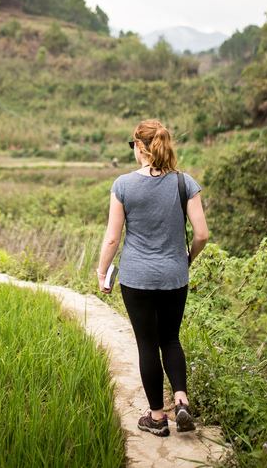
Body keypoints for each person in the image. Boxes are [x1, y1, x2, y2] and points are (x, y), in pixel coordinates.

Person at [96, 119, 210, 437]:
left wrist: (101, 271)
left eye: (133, 146)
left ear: (140, 148)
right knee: (170, 339)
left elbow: (112, 239)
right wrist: (186, 259)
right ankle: (182, 400)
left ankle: (158, 419)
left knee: (147, 345)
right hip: (175, 275)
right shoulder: (184, 182)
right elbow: (202, 234)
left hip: (137, 278)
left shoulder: (123, 185)